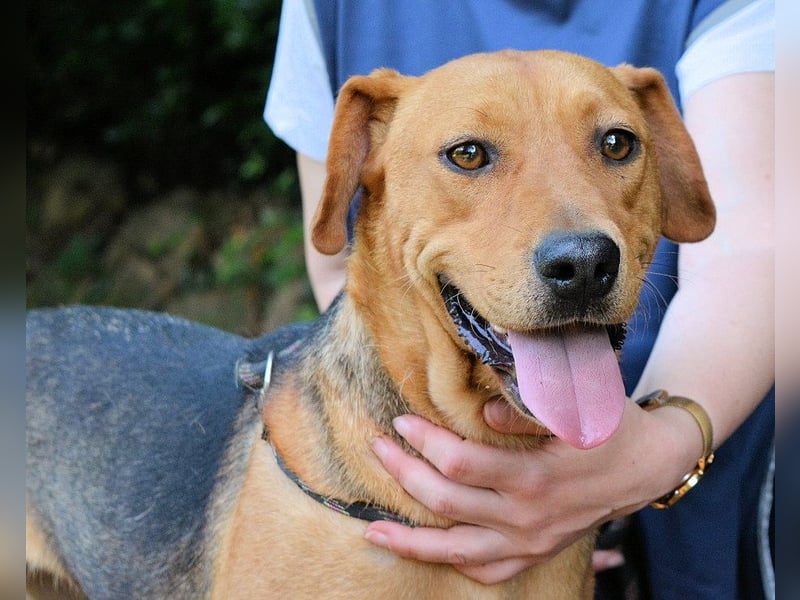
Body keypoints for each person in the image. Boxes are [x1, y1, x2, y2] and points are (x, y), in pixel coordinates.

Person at [264, 1, 775, 598]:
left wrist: (662, 449)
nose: (577, 245)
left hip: (715, 422)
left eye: (614, 145)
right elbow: (335, 262)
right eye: (470, 155)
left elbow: (754, 248)